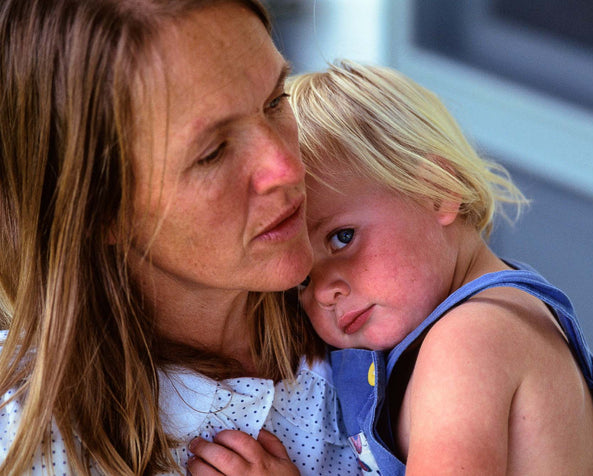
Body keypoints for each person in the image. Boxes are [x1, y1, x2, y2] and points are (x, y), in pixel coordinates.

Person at [0, 1, 359, 474]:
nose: (289, 169)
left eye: (275, 101)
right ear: (97, 210)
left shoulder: (379, 277)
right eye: (212, 153)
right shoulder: (35, 445)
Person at [288, 60, 593, 475]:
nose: (325, 291)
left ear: (437, 191)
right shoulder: (496, 315)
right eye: (303, 278)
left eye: (342, 237)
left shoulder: (467, 340)